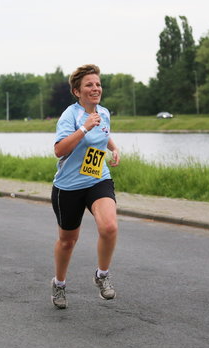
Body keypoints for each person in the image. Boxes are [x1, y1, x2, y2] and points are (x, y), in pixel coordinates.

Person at [50, 64, 120, 309]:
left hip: (97, 177)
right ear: (77, 91)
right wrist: (83, 128)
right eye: (89, 85)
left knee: (109, 226)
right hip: (68, 186)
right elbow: (59, 149)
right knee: (68, 241)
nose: (95, 88)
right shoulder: (71, 115)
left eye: (98, 84)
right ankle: (59, 284)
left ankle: (102, 275)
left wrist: (113, 148)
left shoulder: (104, 112)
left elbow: (103, 131)